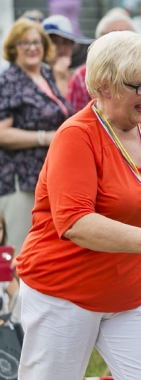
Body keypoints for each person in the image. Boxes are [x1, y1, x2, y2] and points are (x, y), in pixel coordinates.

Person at [14, 30, 141, 380]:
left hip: (133, 291)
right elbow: (76, 222)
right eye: (139, 86)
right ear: (104, 86)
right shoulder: (76, 136)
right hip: (65, 292)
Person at [0, 19, 71, 252]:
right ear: (13, 48)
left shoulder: (46, 74)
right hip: (20, 178)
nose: (32, 47)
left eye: (37, 42)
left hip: (49, 174)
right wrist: (44, 137)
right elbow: (2, 133)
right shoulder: (8, 81)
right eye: (25, 43)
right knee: (18, 249)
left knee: (45, 247)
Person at [67, 9, 135, 113]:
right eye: (114, 37)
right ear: (98, 41)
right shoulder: (82, 77)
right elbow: (74, 120)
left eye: (128, 37)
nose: (122, 45)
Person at [42, 14, 93, 96]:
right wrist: (60, 78)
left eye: (66, 42)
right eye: (55, 42)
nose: (62, 48)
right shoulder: (35, 79)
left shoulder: (82, 79)